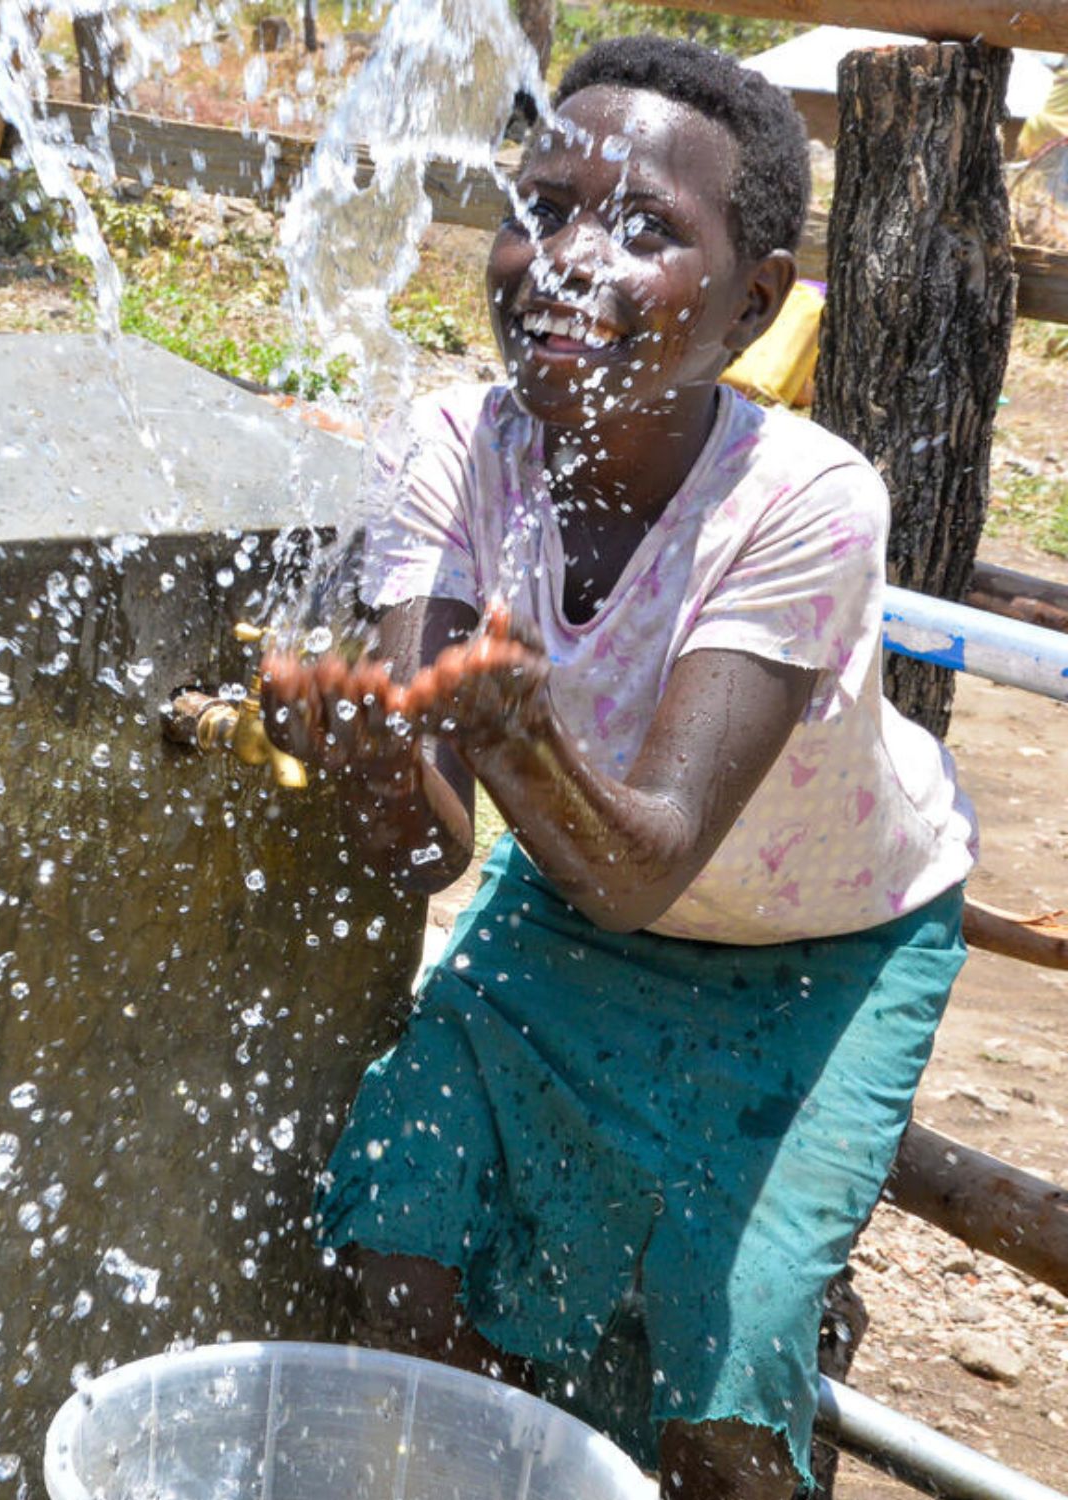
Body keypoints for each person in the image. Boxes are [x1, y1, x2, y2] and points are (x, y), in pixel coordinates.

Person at [261, 36, 976, 1500]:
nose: (570, 259)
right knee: (405, 1230)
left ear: (754, 299)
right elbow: (431, 850)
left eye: (649, 231)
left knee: (729, 1365)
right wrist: (366, 759)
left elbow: (647, 858)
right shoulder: (456, 445)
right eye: (543, 209)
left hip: (817, 962)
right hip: (570, 917)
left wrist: (510, 730)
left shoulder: (802, 500)